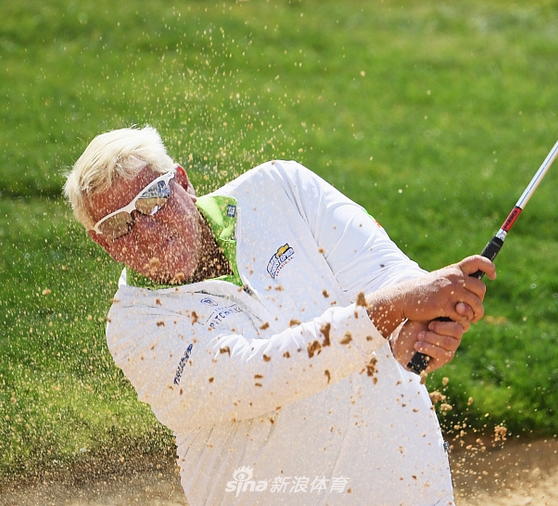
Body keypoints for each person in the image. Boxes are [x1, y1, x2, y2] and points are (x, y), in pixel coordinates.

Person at [63, 125, 494, 505]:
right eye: (117, 225)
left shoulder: (279, 186)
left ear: (182, 181)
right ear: (103, 243)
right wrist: (394, 309)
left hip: (408, 483)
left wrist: (411, 328)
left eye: (152, 199)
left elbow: (384, 270)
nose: (146, 231)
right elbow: (256, 377)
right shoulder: (134, 328)